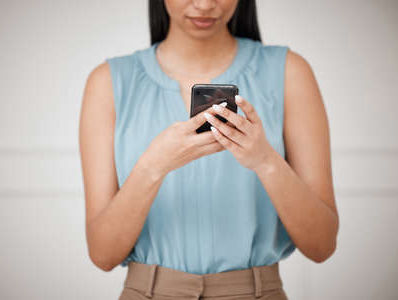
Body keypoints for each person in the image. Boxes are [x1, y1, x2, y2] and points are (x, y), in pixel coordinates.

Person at [79, 0, 339, 299]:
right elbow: (103, 254)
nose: (204, 4)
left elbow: (322, 245)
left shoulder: (289, 71)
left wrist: (265, 161)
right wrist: (153, 166)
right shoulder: (108, 81)